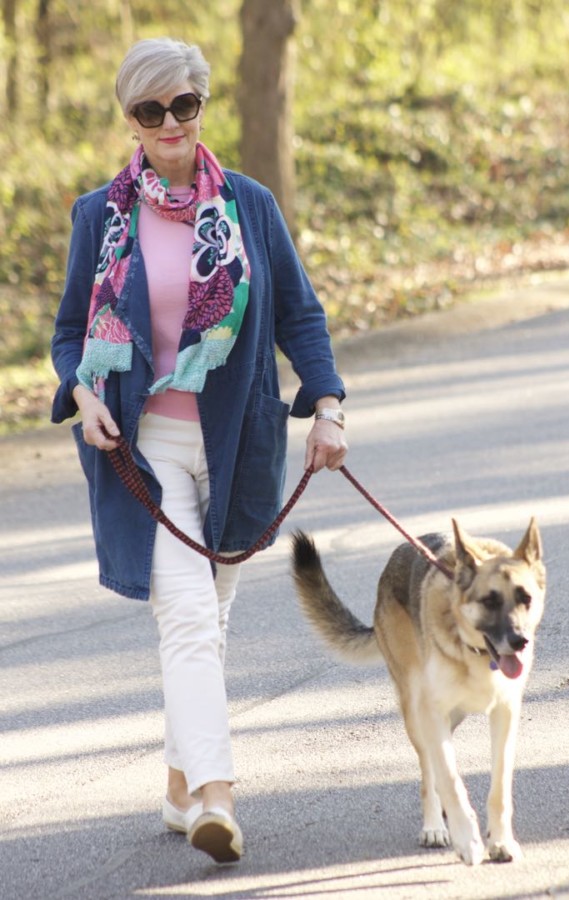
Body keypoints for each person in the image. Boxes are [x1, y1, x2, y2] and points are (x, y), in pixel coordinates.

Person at [50, 37, 347, 864]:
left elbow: (300, 314)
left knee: (208, 620)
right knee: (183, 614)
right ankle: (218, 798)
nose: (171, 121)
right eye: (152, 110)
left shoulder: (249, 205)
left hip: (239, 441)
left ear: (201, 105)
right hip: (143, 447)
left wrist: (327, 406)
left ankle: (180, 787)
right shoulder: (98, 219)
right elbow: (72, 331)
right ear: (131, 120)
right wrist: (79, 390)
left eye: (185, 104)